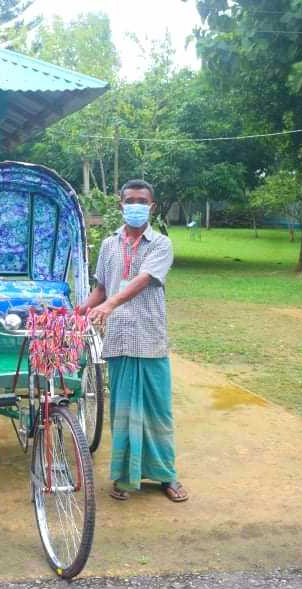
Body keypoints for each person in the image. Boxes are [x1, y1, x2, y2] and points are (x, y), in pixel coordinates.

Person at [80, 179, 188, 503]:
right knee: (122, 411)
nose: (136, 205)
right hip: (118, 340)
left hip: (150, 338)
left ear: (151, 207)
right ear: (120, 205)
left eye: (142, 200)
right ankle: (124, 477)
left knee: (159, 411)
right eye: (131, 200)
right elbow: (101, 287)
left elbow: (143, 280)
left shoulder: (160, 244)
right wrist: (82, 308)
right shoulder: (109, 245)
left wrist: (111, 304)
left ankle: (166, 475)